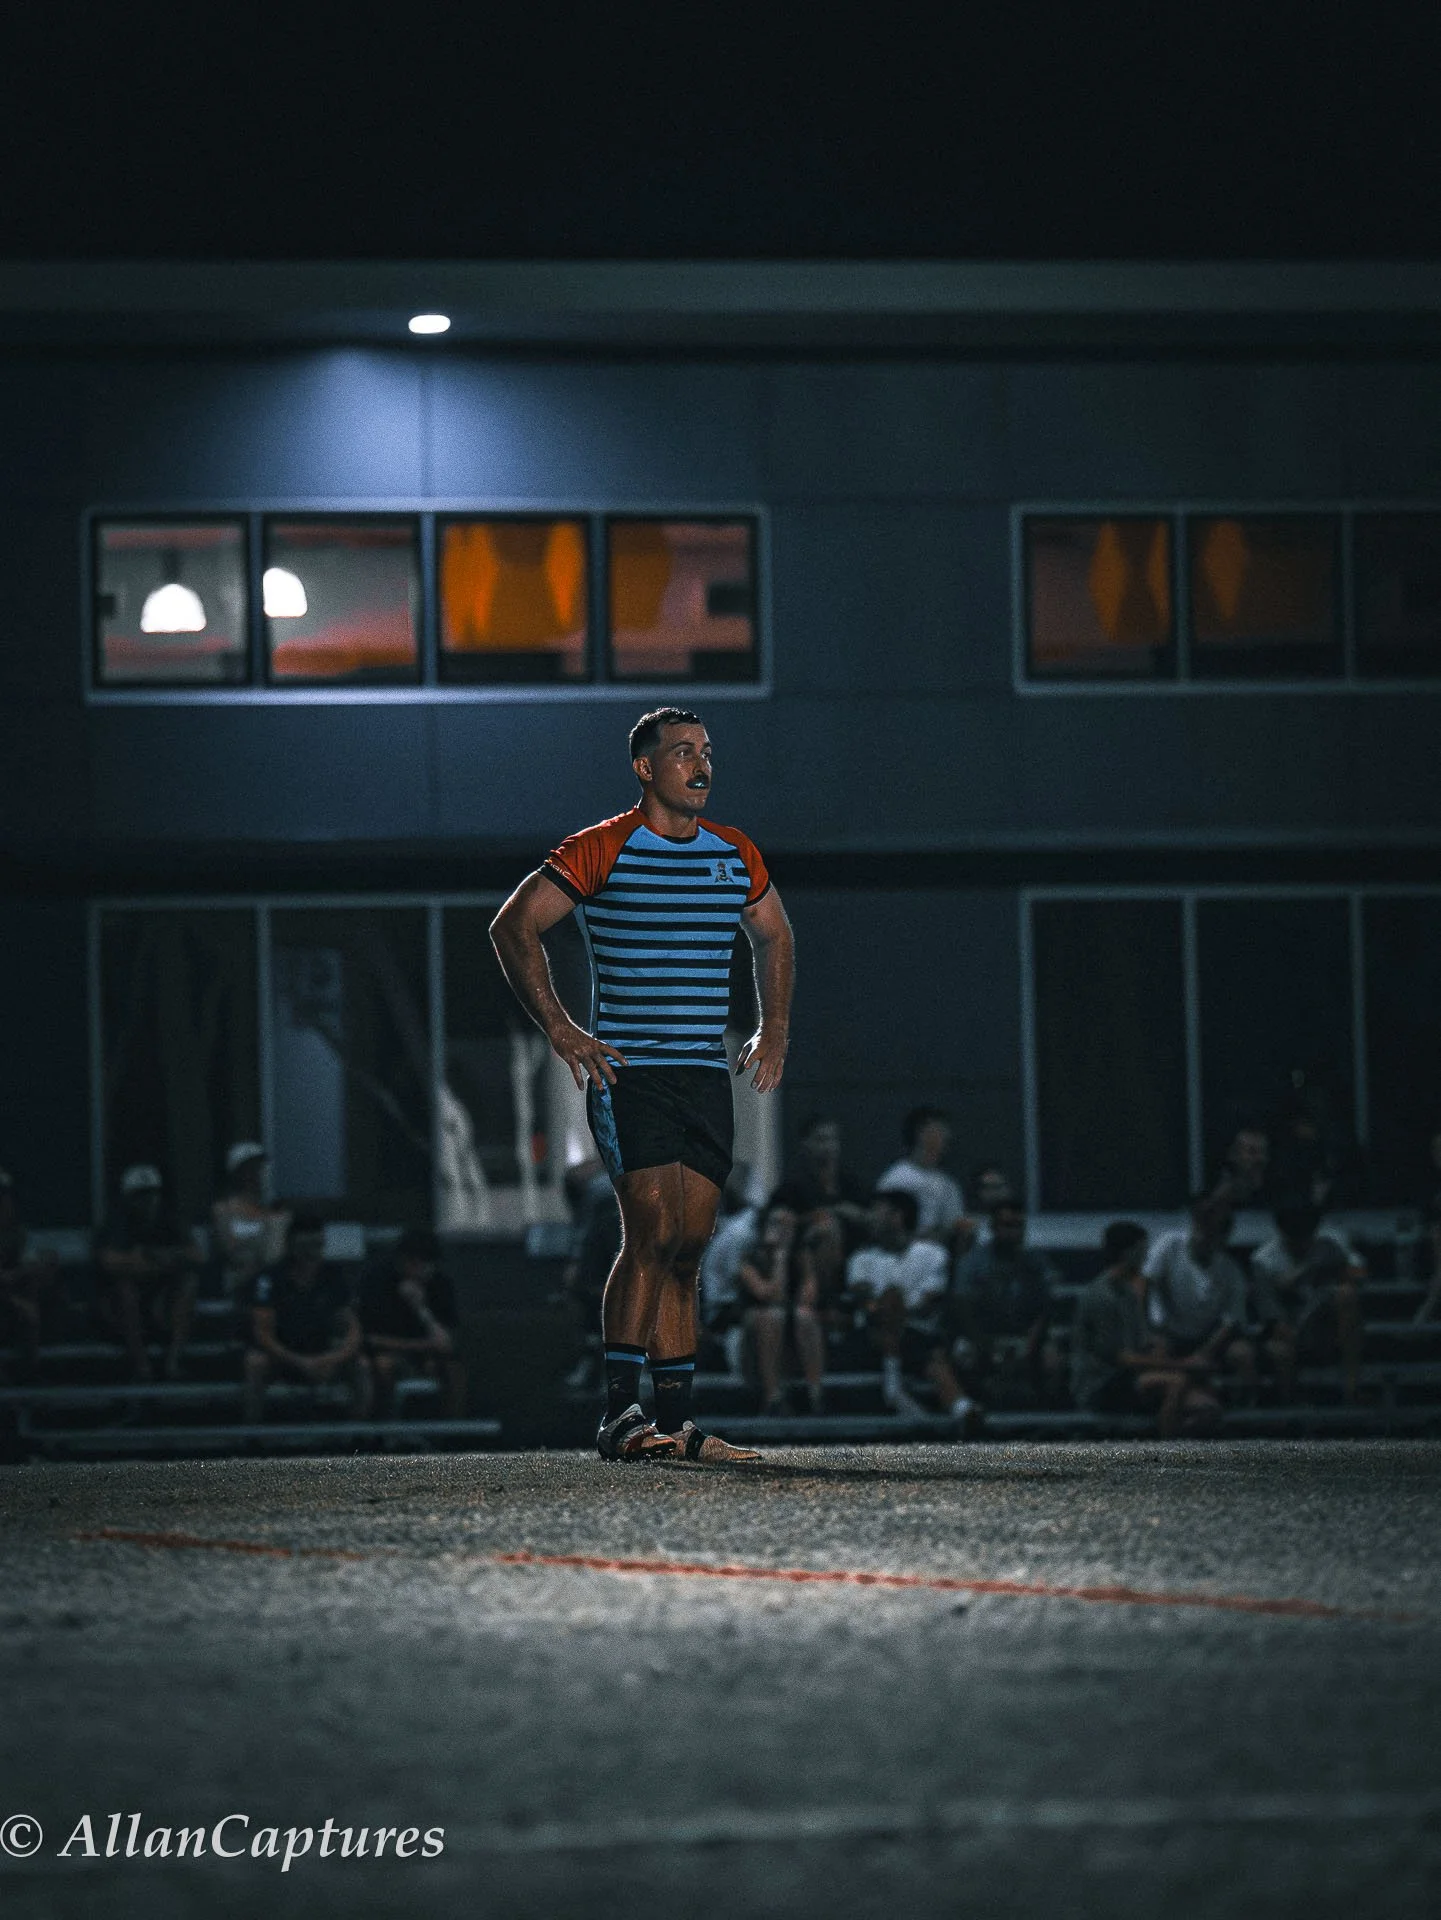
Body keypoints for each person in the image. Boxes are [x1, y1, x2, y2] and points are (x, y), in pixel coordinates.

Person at [489, 707, 794, 1464]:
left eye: (707, 752)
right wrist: (561, 1028)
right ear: (645, 768)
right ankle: (618, 1414)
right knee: (652, 1233)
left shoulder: (734, 853)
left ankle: (676, 1422)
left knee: (690, 1246)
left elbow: (776, 935)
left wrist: (773, 1026)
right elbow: (512, 925)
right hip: (631, 1073)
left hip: (699, 1073)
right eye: (683, 752)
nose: (701, 764)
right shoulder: (602, 847)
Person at [1070, 1221, 1220, 1437]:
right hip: (1101, 1382)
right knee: (1177, 1381)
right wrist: (1181, 1364)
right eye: (1142, 1251)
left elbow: (1141, 1342)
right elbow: (1121, 1359)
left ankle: (1173, 1437)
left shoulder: (1129, 1294)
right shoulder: (1102, 1297)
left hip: (1129, 1377)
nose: (1146, 1258)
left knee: (1206, 1407)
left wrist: (1158, 1349)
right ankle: (1166, 1451)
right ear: (1127, 1253)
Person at [846, 1188, 974, 1426]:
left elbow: (928, 1300)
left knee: (927, 1347)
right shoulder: (861, 1258)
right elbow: (864, 1300)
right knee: (893, 1305)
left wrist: (896, 1307)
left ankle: (960, 1410)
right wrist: (891, 1306)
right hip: (869, 1340)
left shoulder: (933, 1254)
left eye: (877, 1212)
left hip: (918, 1334)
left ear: (897, 1216)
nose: (870, 1218)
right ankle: (954, 1405)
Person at [242, 1215, 371, 1422]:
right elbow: (262, 1333)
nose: (312, 1253)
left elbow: (353, 1330)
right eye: (305, 1246)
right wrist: (300, 1362)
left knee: (361, 1365)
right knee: (255, 1362)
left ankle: (358, 1437)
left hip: (322, 1353)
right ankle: (252, 1436)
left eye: (317, 1245)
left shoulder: (333, 1277)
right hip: (282, 1356)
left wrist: (330, 1359)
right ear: (291, 1245)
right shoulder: (269, 1279)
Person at [1249, 1201, 1365, 1404]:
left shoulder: (1328, 1246)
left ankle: (1352, 1385)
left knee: (1346, 1295)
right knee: (1280, 1349)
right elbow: (1272, 1318)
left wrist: (1323, 1269)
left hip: (1327, 1330)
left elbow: (1360, 1273)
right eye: (1295, 1237)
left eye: (1306, 1235)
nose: (1302, 1243)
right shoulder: (1264, 1260)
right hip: (1291, 1331)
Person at [94, 1164, 202, 1381]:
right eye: (140, 1195)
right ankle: (141, 1365)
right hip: (120, 1308)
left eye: (152, 1193)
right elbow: (110, 1262)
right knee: (126, 1292)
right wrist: (156, 1262)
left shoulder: (168, 1218)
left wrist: (154, 1256)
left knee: (189, 1283)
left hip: (161, 1301)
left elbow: (196, 1255)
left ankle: (173, 1359)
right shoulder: (116, 1222)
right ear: (128, 1198)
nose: (148, 1200)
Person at [1143, 1190, 1255, 1397]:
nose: (1206, 1236)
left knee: (1243, 1354)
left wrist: (1205, 1352)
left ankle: (1243, 1408)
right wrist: (1152, 1326)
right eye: (1204, 1226)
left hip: (1208, 1338)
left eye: (1215, 1231)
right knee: (1156, 1350)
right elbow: (1147, 1281)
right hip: (1168, 1333)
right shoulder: (1170, 1244)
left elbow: (1231, 1321)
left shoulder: (1231, 1271)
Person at [951, 1200, 1060, 1405]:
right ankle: (977, 1414)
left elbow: (1045, 1308)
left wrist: (1032, 1342)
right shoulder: (974, 1262)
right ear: (994, 1227)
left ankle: (1043, 1419)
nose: (1013, 1232)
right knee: (963, 1356)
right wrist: (985, 1344)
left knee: (1051, 1360)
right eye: (1007, 1225)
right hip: (982, 1336)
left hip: (1023, 1336)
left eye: (1018, 1226)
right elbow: (962, 1308)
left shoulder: (1035, 1261)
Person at [359, 1228, 465, 1418]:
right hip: (386, 1354)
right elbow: (370, 1339)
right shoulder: (377, 1282)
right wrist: (423, 1345)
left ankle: (449, 1436)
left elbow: (447, 1343)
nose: (419, 1268)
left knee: (453, 1371)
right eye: (413, 1262)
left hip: (425, 1358)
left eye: (425, 1263)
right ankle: (381, 1435)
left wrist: (421, 1309)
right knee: (383, 1366)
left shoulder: (439, 1284)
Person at [210, 1142, 291, 1301]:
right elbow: (231, 1249)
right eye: (252, 1168)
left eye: (260, 1167)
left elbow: (277, 1253)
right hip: (238, 1285)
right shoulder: (223, 1210)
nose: (259, 1173)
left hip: (275, 1284)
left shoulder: (278, 1213)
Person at [0, 1168, 59, 1379]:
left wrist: (19, 1275)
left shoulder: (21, 1233)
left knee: (30, 1301)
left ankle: (29, 1379)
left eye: (5, 1196)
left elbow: (43, 1264)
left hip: (20, 1312)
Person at [878, 1107, 965, 1243]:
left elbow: (954, 1224)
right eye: (940, 1130)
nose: (947, 1136)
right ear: (921, 1133)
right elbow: (882, 1223)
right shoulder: (897, 1177)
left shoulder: (948, 1184)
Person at [1214, 1124, 1271, 1209]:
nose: (1259, 1158)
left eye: (1263, 1152)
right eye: (1252, 1152)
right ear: (1233, 1155)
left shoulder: (1279, 1193)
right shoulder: (1219, 1197)